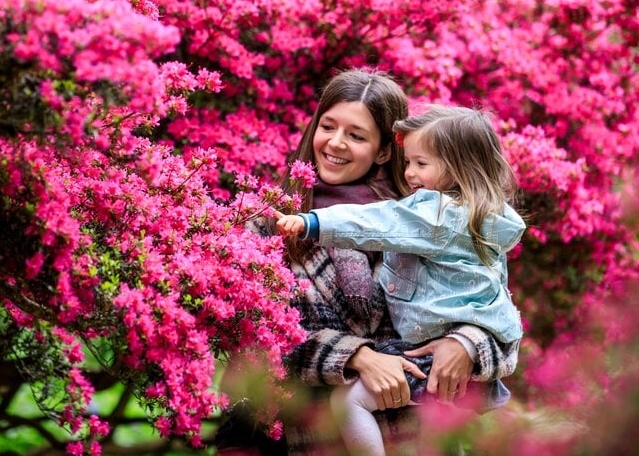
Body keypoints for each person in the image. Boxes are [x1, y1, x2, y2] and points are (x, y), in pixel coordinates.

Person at [217, 70, 520, 455]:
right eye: (328, 126)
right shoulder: (271, 221)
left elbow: (498, 315)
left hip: (412, 437)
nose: (336, 143)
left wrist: (467, 345)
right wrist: (356, 356)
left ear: (383, 151)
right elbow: (253, 340)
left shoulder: (430, 220)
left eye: (357, 135)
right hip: (305, 438)